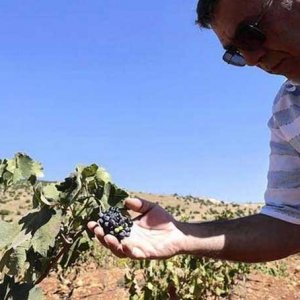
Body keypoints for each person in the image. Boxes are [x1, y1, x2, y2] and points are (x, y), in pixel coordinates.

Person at [88, 0, 300, 263]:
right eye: (235, 51)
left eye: (249, 35)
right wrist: (182, 235)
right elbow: (289, 223)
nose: (250, 59)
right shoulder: (288, 110)